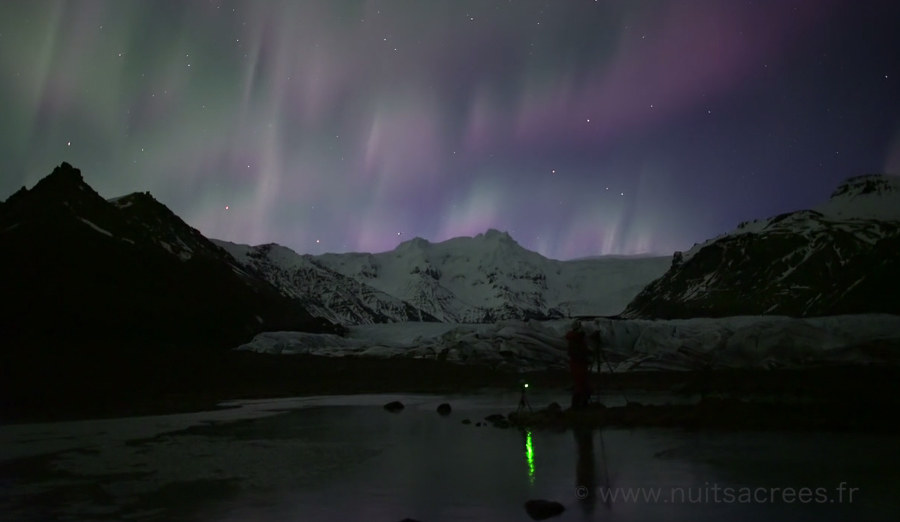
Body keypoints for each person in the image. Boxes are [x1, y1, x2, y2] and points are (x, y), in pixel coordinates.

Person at [566, 320, 592, 409]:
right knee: (580, 385)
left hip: (578, 365)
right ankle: (578, 405)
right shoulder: (576, 340)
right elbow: (575, 353)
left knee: (582, 384)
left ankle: (580, 404)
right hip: (578, 365)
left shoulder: (576, 339)